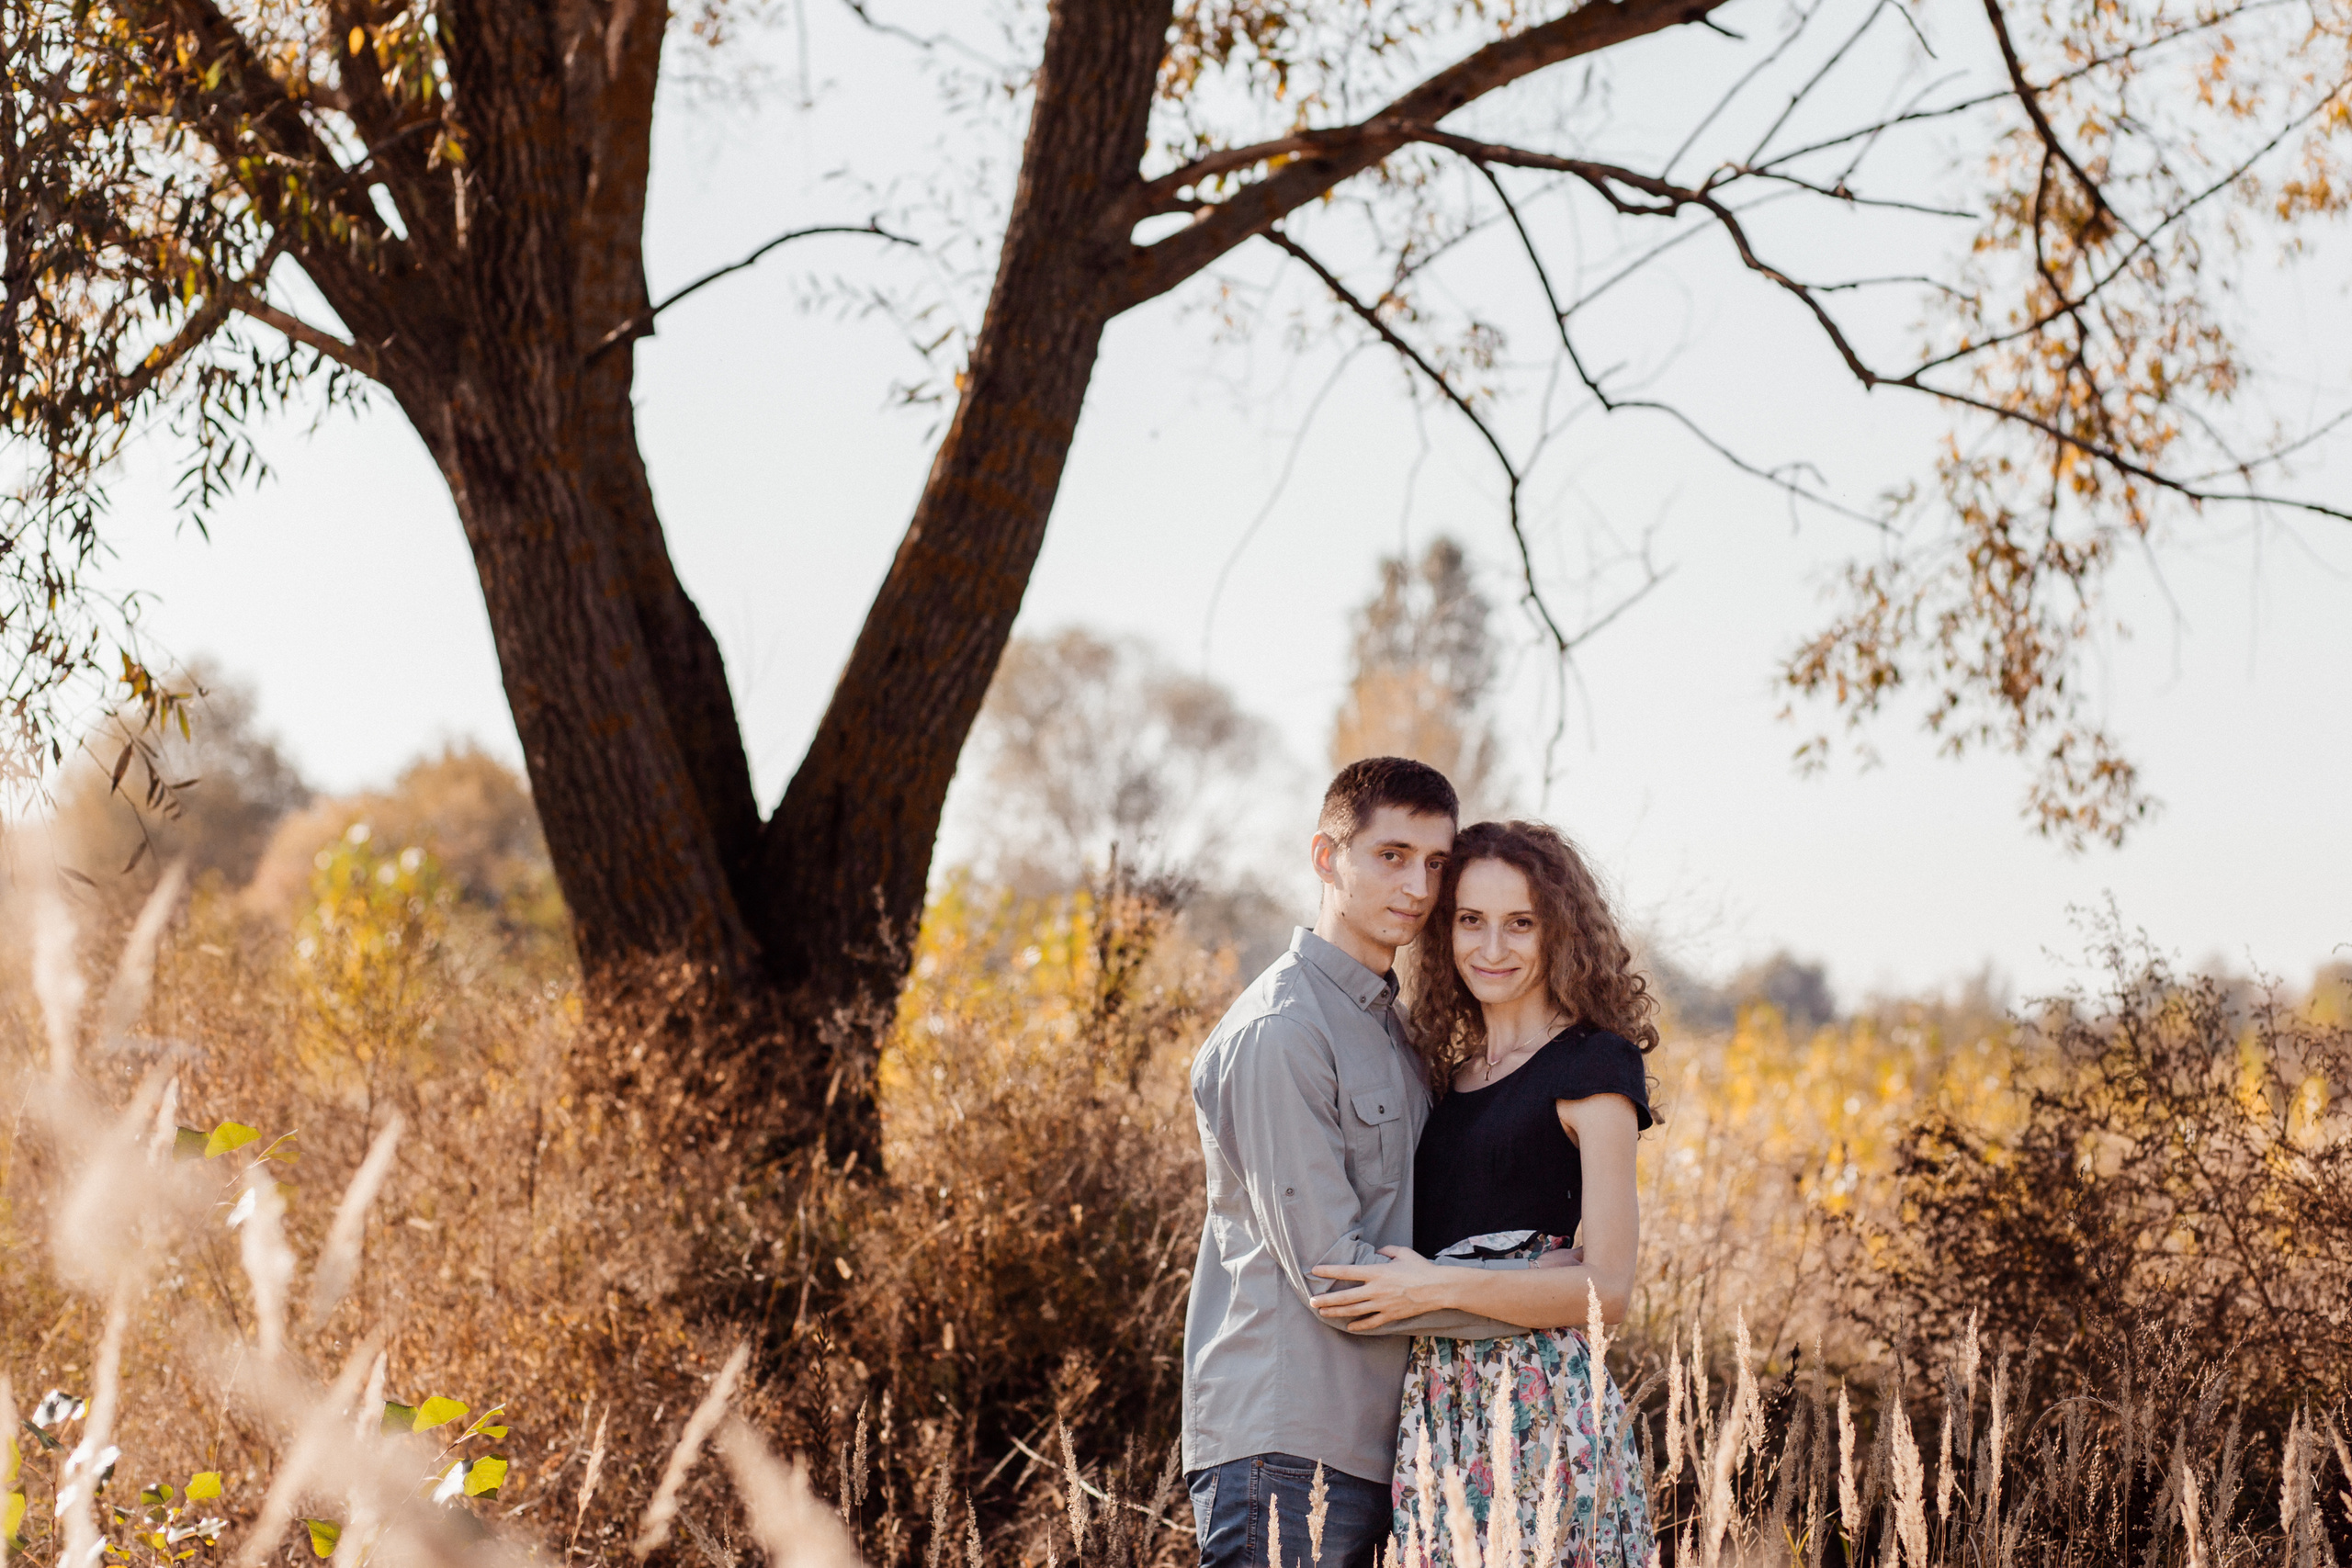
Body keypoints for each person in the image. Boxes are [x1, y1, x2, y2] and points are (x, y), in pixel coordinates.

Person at [1184, 759, 1541, 1568]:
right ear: (1326, 856)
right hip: (1286, 1445)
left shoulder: (1397, 1032)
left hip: (1390, 1444)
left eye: (1436, 862)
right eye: (1391, 855)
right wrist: (1529, 1300)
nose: (1418, 885)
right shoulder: (1281, 1032)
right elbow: (1335, 1275)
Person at [1309, 819, 1659, 1568]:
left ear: (1559, 932)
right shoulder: (1447, 1079)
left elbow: (1609, 1285)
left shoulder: (1594, 1064)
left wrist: (1434, 1284)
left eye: (1519, 924)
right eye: (1470, 920)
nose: (1491, 948)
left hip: (1542, 1404)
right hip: (1438, 1405)